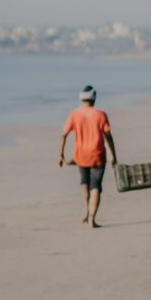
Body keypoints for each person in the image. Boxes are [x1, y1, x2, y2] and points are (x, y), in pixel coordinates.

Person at [59, 85, 117, 228]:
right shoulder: (101, 115)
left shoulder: (74, 114)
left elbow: (63, 135)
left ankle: (86, 211)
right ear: (94, 98)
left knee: (84, 182)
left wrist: (61, 155)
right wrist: (114, 156)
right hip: (98, 155)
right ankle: (92, 219)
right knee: (95, 186)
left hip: (81, 155)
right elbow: (108, 136)